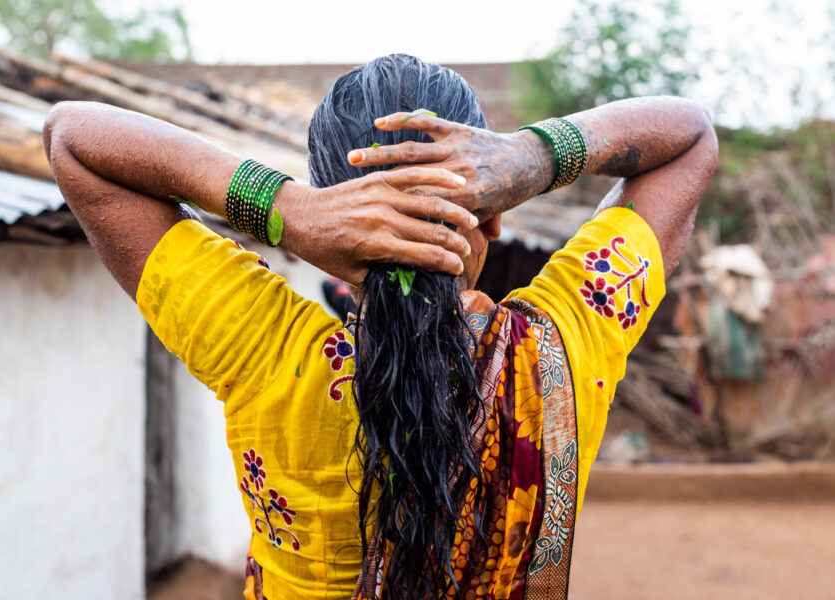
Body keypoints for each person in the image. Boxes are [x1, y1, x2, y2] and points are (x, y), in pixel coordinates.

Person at [43, 54, 717, 599]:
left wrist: (285, 209)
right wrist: (535, 158)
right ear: (493, 215)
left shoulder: (262, 347)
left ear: (333, 219)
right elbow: (689, 137)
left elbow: (74, 137)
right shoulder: (562, 349)